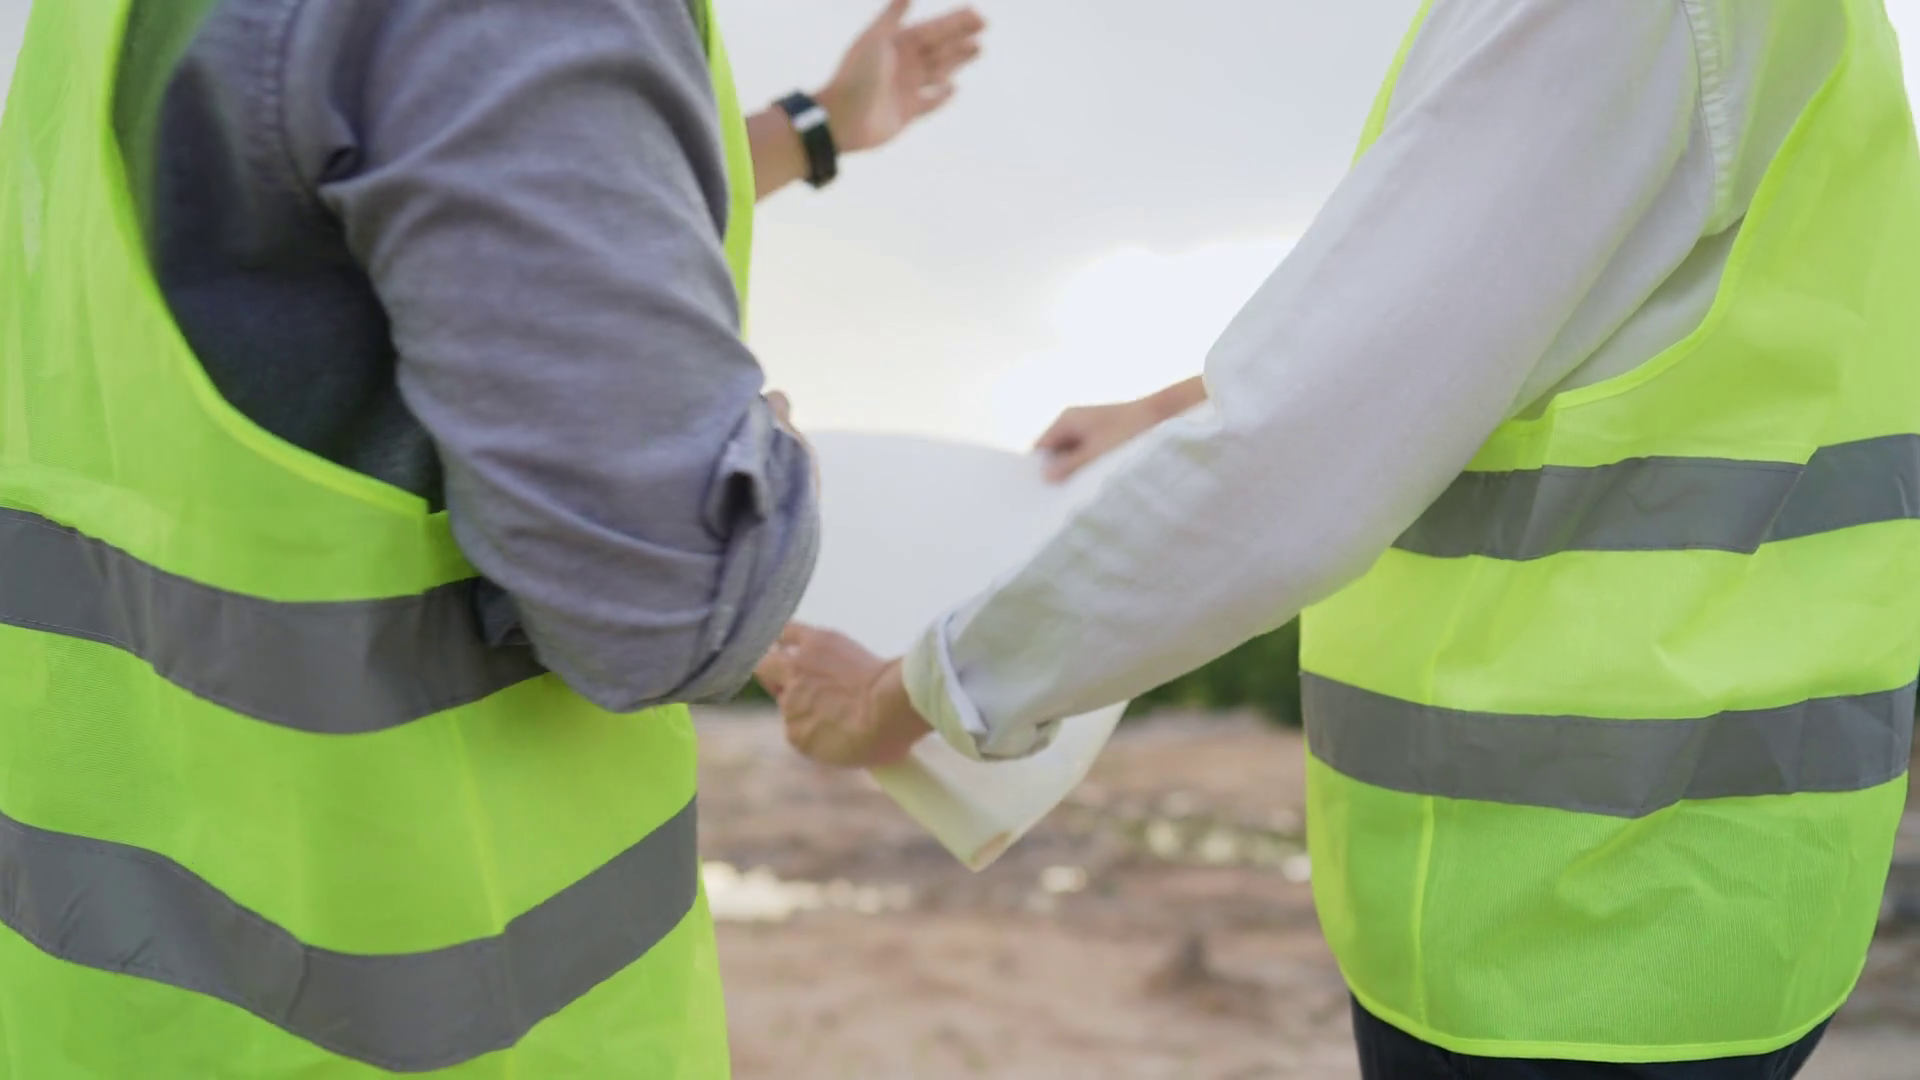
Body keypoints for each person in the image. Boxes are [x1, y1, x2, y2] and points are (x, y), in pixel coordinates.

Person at [757, 1, 1920, 1076]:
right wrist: (1173, 410)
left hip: (1564, 930)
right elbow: (1532, 315)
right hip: (1731, 892)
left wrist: (913, 693)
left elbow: (1292, 464)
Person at [0, 0, 979, 1074]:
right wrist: (769, 472)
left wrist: (816, 126)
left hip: (113, 1017)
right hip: (432, 1025)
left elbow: (366, 208)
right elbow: (658, 603)